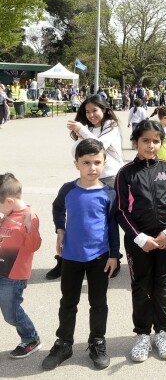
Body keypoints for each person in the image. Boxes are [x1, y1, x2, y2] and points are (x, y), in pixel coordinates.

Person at [42, 139, 119, 371]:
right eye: (86, 162)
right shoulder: (68, 189)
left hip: (100, 258)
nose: (92, 167)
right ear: (76, 164)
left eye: (97, 162)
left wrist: (114, 255)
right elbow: (57, 208)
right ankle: (64, 343)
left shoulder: (109, 193)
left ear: (104, 164)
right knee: (68, 302)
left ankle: (97, 341)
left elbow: (113, 225)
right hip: (72, 257)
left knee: (98, 303)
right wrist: (60, 228)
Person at [116, 120, 166, 362]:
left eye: (156, 141)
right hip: (140, 242)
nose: (151, 145)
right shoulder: (125, 173)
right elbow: (121, 210)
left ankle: (163, 333)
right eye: (145, 140)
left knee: (163, 285)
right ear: (135, 142)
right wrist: (140, 237)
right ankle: (143, 334)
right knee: (142, 285)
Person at [47, 95, 124, 281]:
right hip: (88, 176)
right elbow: (79, 151)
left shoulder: (111, 125)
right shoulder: (88, 128)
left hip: (110, 177)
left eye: (95, 110)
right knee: (80, 218)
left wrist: (82, 130)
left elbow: (99, 147)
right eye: (87, 112)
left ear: (104, 109)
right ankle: (64, 259)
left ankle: (114, 257)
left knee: (108, 220)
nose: (91, 115)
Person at [0, 173, 42, 359]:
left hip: (13, 276)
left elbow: (34, 246)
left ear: (9, 200)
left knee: (11, 313)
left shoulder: (28, 217)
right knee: (8, 309)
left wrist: (29, 229)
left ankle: (31, 338)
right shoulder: (7, 215)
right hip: (2, 269)